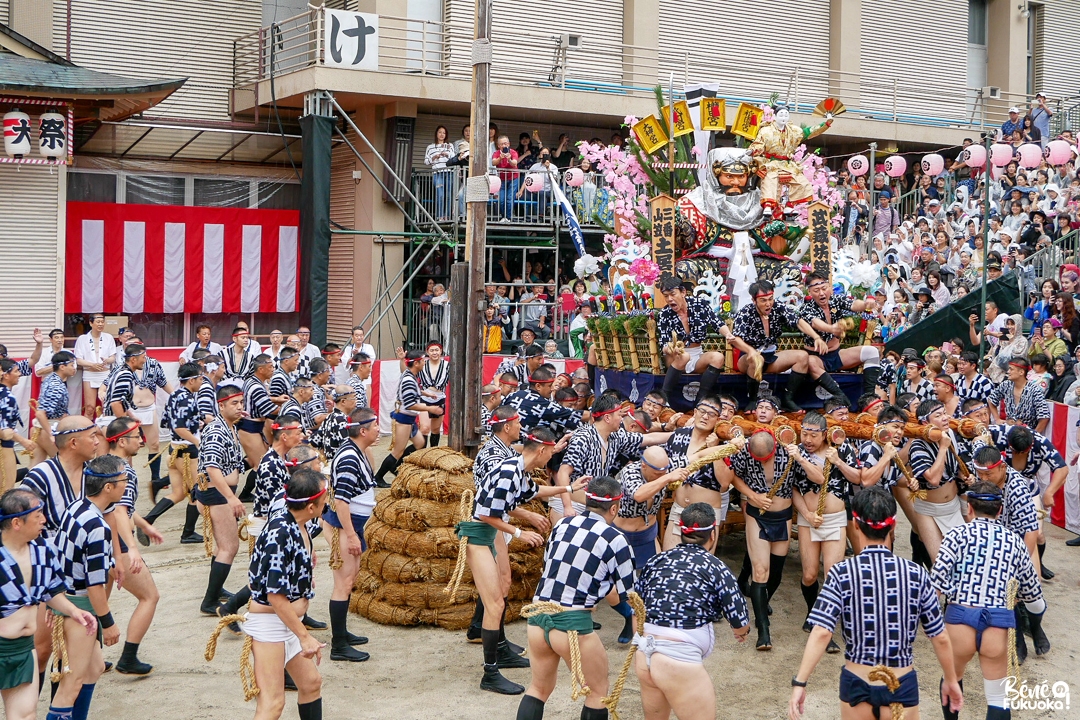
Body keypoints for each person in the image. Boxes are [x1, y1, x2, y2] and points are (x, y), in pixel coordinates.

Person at [789, 486, 963, 720]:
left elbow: (821, 631)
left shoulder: (842, 573)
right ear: (893, 526)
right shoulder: (916, 574)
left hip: (857, 680)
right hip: (900, 682)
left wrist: (800, 682)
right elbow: (939, 636)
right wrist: (951, 680)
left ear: (857, 526)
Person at [461, 428, 580, 695]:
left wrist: (569, 488)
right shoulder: (508, 471)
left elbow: (532, 492)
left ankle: (497, 656)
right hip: (479, 536)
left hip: (487, 536)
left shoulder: (516, 469)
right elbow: (487, 513)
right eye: (550, 452)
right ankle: (490, 673)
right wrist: (518, 532)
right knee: (494, 605)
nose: (551, 457)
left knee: (498, 597)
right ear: (541, 450)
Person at [515, 475, 635, 718]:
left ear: (588, 500)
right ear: (614, 508)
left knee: (539, 688)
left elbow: (552, 564)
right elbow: (630, 596)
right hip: (572, 624)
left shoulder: (562, 525)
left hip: (538, 616)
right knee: (597, 692)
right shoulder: (616, 539)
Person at [930, 481, 1047, 720]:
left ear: (969, 508)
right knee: (998, 697)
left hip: (960, 618)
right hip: (998, 623)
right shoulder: (1015, 541)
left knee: (952, 680)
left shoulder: (955, 535)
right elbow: (1034, 599)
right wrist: (1035, 621)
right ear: (1000, 511)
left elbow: (936, 587)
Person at [632, 503, 750, 720]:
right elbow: (740, 618)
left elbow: (636, 607)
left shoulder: (656, 561)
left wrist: (640, 639)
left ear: (679, 529)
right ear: (712, 535)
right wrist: (740, 633)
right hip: (678, 658)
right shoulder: (715, 567)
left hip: (644, 654)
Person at [0, 488, 97, 720]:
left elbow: (51, 592)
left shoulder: (43, 550)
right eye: (37, 515)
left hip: (23, 649)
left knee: (26, 716)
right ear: (16, 523)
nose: (44, 520)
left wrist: (74, 611)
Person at [239, 469, 327, 720]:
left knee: (311, 684)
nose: (327, 502)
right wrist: (305, 637)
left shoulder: (298, 521)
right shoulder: (280, 533)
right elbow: (276, 597)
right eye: (324, 499)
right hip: (271, 627)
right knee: (272, 704)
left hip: (287, 622)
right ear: (310, 506)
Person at [49, 454, 131, 720]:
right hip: (80, 608)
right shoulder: (97, 527)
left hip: (66, 597)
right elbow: (95, 586)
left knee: (93, 669)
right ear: (108, 487)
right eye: (123, 480)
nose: (126, 484)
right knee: (71, 684)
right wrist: (108, 623)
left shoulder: (77, 507)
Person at [725, 429, 820, 650]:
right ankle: (763, 628)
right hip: (757, 516)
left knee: (775, 573)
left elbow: (819, 478)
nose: (762, 461)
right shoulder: (745, 451)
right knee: (760, 571)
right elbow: (732, 476)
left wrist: (798, 457)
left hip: (783, 516)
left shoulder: (788, 451)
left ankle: (762, 603)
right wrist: (752, 495)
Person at [790, 412, 859, 655]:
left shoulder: (841, 447)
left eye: (813, 434)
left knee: (832, 576)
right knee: (809, 575)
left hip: (836, 518)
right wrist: (806, 515)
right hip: (809, 519)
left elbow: (857, 477)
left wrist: (838, 461)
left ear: (824, 433)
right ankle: (812, 611)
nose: (807, 439)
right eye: (804, 433)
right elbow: (793, 490)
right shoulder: (796, 452)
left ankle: (824, 625)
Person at [102, 416, 162, 675]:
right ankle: (128, 657)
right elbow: (119, 512)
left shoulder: (102, 464)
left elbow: (121, 508)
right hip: (116, 546)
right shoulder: (123, 471)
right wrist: (131, 549)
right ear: (122, 441)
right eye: (137, 436)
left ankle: (85, 658)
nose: (141, 440)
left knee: (97, 605)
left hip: (96, 545)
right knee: (150, 596)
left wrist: (144, 524)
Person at [720, 280, 834, 411]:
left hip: (771, 357)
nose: (768, 304)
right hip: (747, 359)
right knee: (756, 359)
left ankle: (788, 399)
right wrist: (750, 351)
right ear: (754, 300)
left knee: (802, 356)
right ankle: (752, 400)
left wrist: (816, 337)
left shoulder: (778, 307)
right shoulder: (746, 312)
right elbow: (736, 339)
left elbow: (798, 321)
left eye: (770, 299)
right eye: (763, 300)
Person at [323, 407, 378, 663]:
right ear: (363, 430)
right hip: (344, 526)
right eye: (375, 425)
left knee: (350, 580)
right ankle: (339, 645)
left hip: (352, 526)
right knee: (343, 584)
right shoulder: (348, 457)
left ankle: (342, 633)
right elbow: (342, 501)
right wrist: (351, 535)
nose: (379, 429)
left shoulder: (358, 452)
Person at [661, 397, 738, 553]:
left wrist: (715, 449)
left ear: (717, 419)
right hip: (679, 509)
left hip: (707, 515)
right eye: (702, 411)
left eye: (711, 414)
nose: (705, 416)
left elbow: (724, 484)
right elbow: (665, 467)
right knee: (670, 559)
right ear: (695, 412)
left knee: (699, 567)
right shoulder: (679, 435)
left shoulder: (724, 444)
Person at [197, 385, 247, 616]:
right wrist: (231, 497)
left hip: (222, 491)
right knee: (229, 547)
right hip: (218, 493)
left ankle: (214, 591)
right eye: (234, 404)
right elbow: (212, 467)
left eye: (241, 403)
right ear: (221, 405)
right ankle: (209, 601)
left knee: (222, 547)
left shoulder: (230, 427)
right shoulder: (216, 430)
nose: (240, 408)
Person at [142, 362, 203, 544]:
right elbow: (180, 427)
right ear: (191, 380)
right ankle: (188, 533)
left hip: (174, 448)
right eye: (200, 378)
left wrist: (196, 423)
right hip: (187, 451)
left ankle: (148, 520)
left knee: (177, 494)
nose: (201, 381)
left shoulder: (175, 394)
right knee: (196, 493)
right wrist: (198, 442)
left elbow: (168, 422)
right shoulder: (187, 398)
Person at [799, 270, 882, 396]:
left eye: (824, 288)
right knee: (809, 362)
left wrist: (865, 304)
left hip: (836, 355)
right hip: (816, 357)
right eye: (816, 290)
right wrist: (832, 328)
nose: (821, 293)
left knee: (872, 352)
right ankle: (841, 397)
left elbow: (854, 304)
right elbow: (815, 322)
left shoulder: (836, 300)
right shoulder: (806, 308)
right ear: (809, 292)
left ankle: (869, 396)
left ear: (830, 287)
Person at [906, 400, 971, 562]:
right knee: (940, 563)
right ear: (924, 422)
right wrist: (942, 448)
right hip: (929, 510)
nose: (945, 418)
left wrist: (965, 476)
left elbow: (955, 469)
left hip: (953, 505)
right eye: (938, 415)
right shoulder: (918, 446)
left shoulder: (950, 435)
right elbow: (934, 479)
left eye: (944, 413)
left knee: (962, 559)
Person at [373, 350, 442, 487]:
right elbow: (410, 405)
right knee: (397, 451)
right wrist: (430, 408)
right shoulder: (409, 380)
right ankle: (379, 477)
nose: (425, 362)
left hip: (408, 419)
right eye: (423, 361)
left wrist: (424, 393)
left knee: (420, 443)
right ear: (416, 363)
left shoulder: (410, 374)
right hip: (404, 419)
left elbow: (412, 391)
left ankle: (396, 466)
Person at [654, 277, 726, 403]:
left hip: (696, 353)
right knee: (684, 356)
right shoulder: (664, 314)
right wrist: (672, 349)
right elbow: (664, 344)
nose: (669, 299)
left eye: (672, 294)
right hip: (675, 356)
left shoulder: (699, 304)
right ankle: (663, 398)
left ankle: (701, 399)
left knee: (718, 357)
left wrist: (729, 335)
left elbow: (717, 323)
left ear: (683, 292)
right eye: (666, 296)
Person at [615, 447, 687, 573]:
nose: (661, 475)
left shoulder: (665, 468)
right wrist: (667, 478)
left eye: (664, 472)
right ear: (644, 466)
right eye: (657, 474)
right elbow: (638, 495)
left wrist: (731, 445)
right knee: (618, 577)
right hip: (622, 535)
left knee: (656, 573)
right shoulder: (630, 471)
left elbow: (697, 457)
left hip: (648, 534)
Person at [32, 350, 77, 464]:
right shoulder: (56, 386)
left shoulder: (51, 378)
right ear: (62, 367)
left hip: (40, 429)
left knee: (34, 467)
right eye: (72, 365)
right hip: (48, 428)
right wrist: (51, 434)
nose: (74, 368)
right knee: (65, 464)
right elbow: (40, 413)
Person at [988, 357, 1049, 433]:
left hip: (1026, 434)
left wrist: (1034, 436)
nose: (1008, 372)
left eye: (1011, 369)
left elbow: (1044, 417)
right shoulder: (1006, 385)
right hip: (1008, 431)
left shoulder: (1034, 390)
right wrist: (997, 419)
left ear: (1021, 372)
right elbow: (991, 400)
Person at [73, 314, 117, 419]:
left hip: (105, 373)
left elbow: (113, 357)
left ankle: (106, 431)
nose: (101, 324)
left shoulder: (108, 337)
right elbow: (78, 359)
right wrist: (92, 364)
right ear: (91, 323)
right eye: (98, 322)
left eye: (102, 322)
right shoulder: (82, 339)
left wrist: (107, 361)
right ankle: (87, 432)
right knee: (89, 407)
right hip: (89, 373)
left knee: (106, 406)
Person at [0, 361, 34, 491]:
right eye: (16, 371)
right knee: (6, 488)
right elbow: (6, 430)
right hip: (4, 446)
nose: (19, 374)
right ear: (6, 375)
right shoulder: (7, 397)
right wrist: (23, 441)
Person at [417, 342, 450, 447]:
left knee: (435, 429)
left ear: (441, 351)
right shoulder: (422, 364)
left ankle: (432, 452)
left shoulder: (447, 365)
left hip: (439, 398)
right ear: (427, 352)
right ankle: (421, 454)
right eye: (432, 350)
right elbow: (407, 373)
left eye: (437, 350)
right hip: (424, 398)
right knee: (425, 428)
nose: (434, 353)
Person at [425, 125, 455, 221]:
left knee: (449, 195)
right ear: (436, 134)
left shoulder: (450, 145)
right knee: (440, 195)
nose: (442, 134)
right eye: (440, 132)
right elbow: (426, 162)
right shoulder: (430, 147)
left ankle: (447, 216)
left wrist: (447, 154)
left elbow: (454, 158)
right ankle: (439, 216)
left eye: (444, 133)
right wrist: (434, 157)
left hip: (449, 173)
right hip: (437, 173)